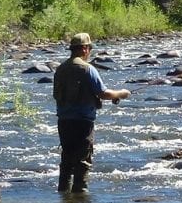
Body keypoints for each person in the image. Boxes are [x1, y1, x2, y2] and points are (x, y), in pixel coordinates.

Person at [51, 32, 130, 193]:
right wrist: (122, 93)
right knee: (82, 162)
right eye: (89, 48)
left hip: (64, 122)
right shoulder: (88, 69)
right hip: (83, 122)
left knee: (66, 160)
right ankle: (80, 201)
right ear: (85, 49)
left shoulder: (60, 69)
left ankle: (63, 198)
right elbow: (104, 94)